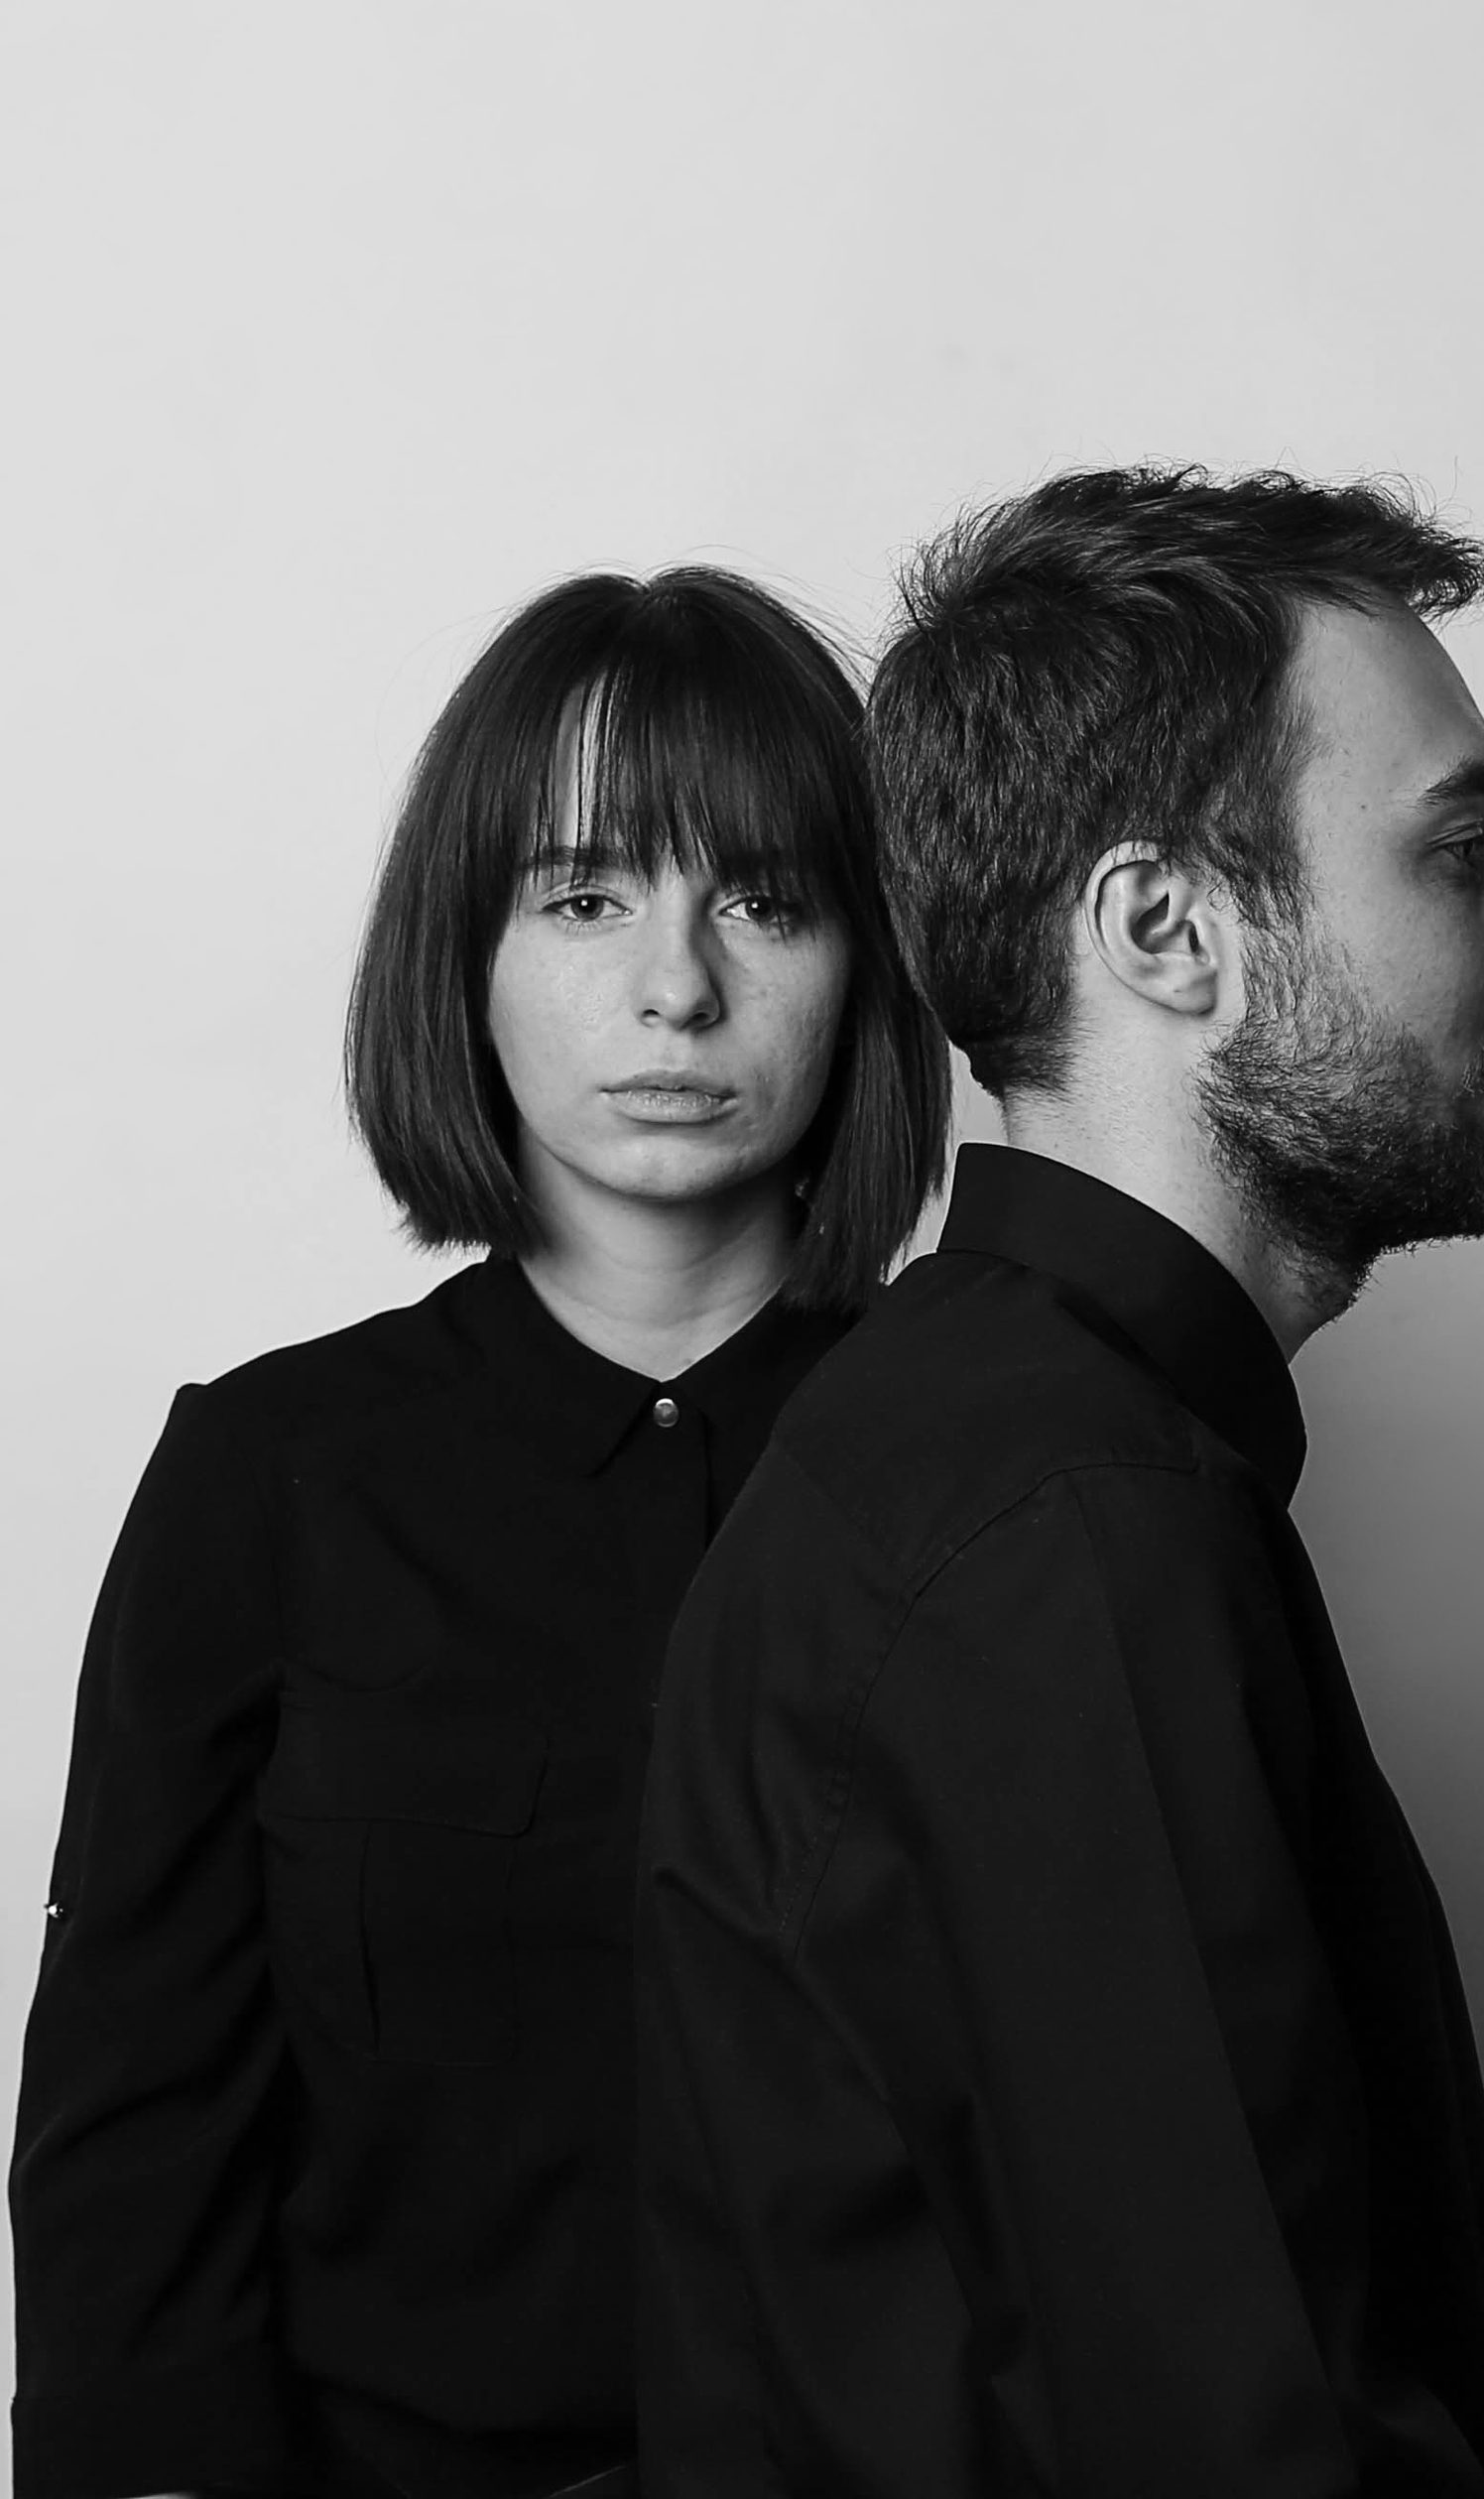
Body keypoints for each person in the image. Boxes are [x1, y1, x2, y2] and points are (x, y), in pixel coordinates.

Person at [636, 471, 1484, 2497]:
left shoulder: (1025, 1448)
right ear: (1167, 932)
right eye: (1460, 849)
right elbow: (1254, 2440)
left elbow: (1373, 2175)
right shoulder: (1069, 1534)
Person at [10, 565, 949, 2499]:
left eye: (764, 902)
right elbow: (135, 2119)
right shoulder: (269, 1473)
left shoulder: (1001, 1457)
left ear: (873, 961)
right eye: (586, 898)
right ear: (466, 949)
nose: (677, 989)